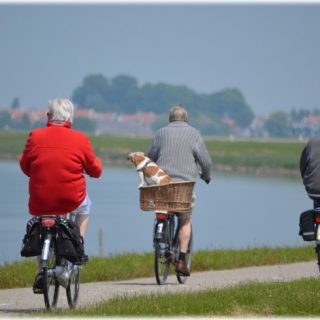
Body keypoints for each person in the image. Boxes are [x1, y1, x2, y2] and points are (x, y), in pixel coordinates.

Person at [20, 98, 103, 292]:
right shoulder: (80, 139)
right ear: (70, 119)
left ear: (50, 116)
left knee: (42, 223)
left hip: (40, 199)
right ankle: (78, 246)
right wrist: (94, 167)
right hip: (70, 198)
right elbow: (96, 170)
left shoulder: (35, 136)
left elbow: (25, 166)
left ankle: (42, 270)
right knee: (86, 206)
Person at [148, 104, 212, 276]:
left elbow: (149, 159)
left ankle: (163, 242)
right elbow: (206, 162)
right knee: (185, 219)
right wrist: (206, 176)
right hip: (184, 188)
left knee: (163, 210)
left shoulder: (161, 133)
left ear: (170, 119)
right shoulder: (194, 134)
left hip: (162, 187)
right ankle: (182, 261)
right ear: (186, 119)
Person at [300, 137, 320, 209]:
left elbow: (302, 165)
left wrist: (307, 181)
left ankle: (316, 216)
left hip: (312, 191)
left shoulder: (311, 142)